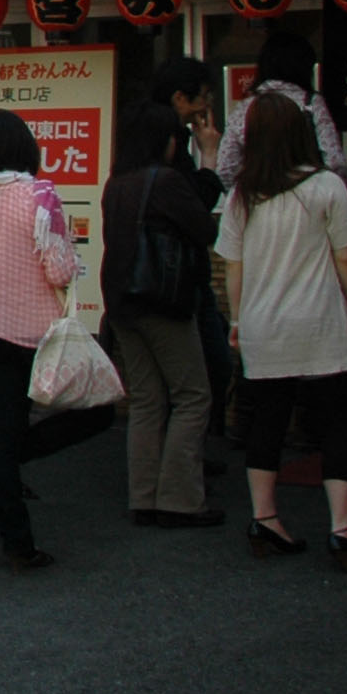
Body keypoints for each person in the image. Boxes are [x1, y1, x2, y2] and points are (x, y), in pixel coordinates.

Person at [218, 92, 347, 569]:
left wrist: (236, 319)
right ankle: (343, 530)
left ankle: (265, 519)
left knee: (267, 423)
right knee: (336, 426)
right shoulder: (326, 187)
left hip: (262, 324)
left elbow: (233, 267)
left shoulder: (242, 195)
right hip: (320, 322)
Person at [0, 110, 112, 569]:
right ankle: (6, 462)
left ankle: (16, 536)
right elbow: (58, 269)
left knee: (5, 427)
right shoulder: (40, 195)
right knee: (97, 412)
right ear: (25, 148)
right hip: (43, 333)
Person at [102, 103, 220, 528]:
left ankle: (145, 497)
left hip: (121, 302)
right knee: (192, 396)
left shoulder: (117, 183)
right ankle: (180, 500)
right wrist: (209, 162)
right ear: (167, 141)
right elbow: (206, 228)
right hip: (161, 301)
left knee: (147, 400)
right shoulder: (166, 181)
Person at [147, 54, 237, 456]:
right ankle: (183, 474)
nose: (205, 110)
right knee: (200, 380)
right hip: (175, 281)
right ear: (180, 98)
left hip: (156, 281)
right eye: (201, 99)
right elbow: (196, 210)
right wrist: (210, 154)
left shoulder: (148, 141)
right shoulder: (168, 146)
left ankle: (173, 469)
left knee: (165, 390)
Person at [215, 31, 344, 187]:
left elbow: (226, 168)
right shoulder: (311, 103)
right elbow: (335, 162)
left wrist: (244, 199)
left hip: (259, 199)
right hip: (307, 201)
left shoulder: (245, 108)